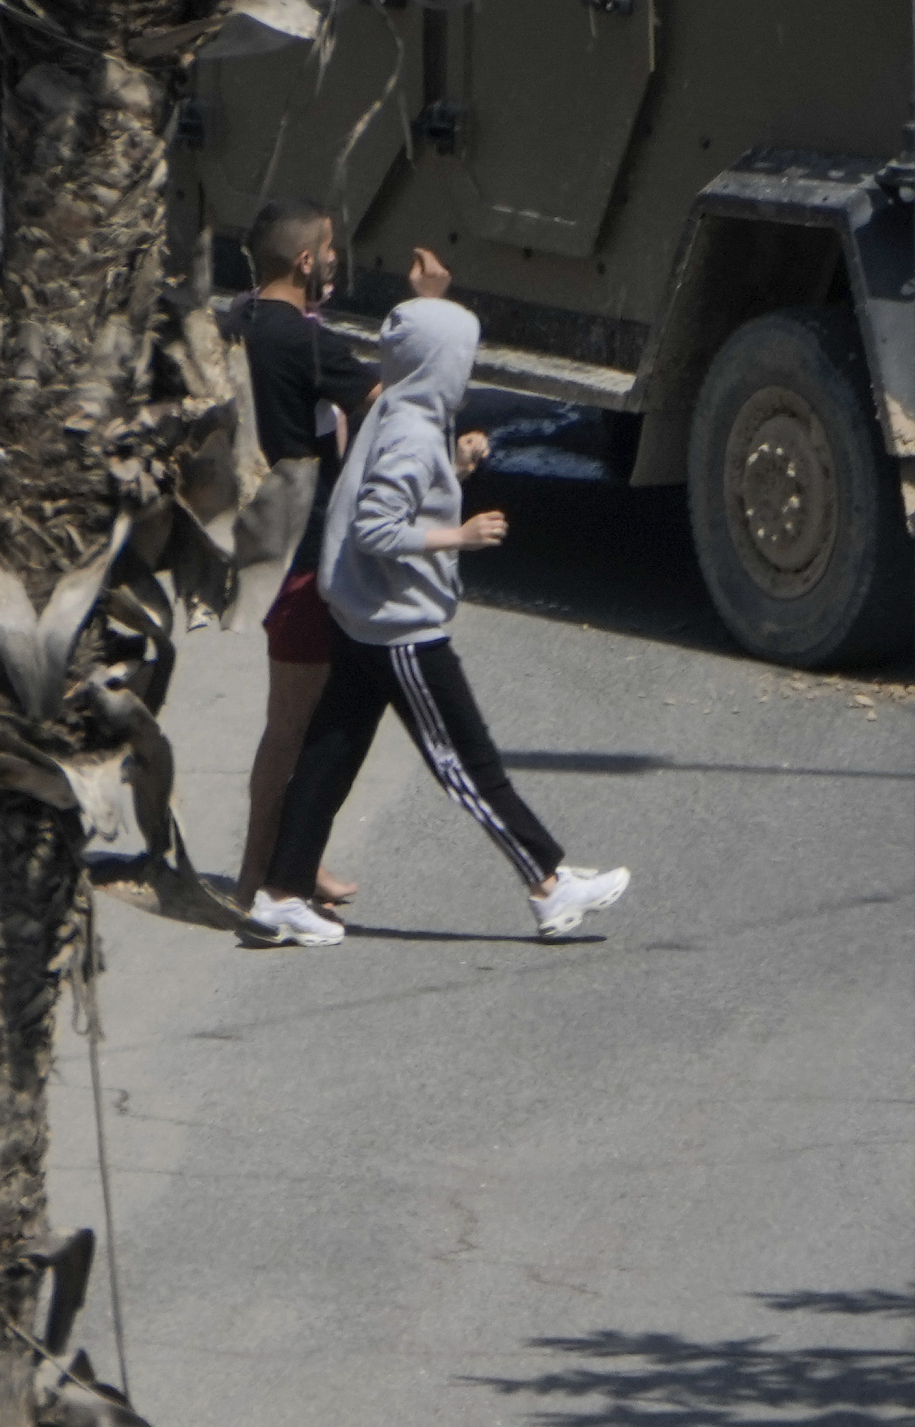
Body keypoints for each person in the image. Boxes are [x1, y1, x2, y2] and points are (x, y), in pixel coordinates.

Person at [251, 292, 632, 946]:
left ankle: (281, 895)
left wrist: (451, 469)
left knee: (330, 754)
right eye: (465, 359)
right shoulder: (412, 427)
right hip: (400, 627)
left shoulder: (397, 406)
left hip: (363, 619)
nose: (469, 370)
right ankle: (549, 886)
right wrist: (460, 535)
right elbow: (377, 526)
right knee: (468, 763)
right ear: (441, 364)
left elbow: (390, 487)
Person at [228, 218, 446, 910]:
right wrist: (430, 311)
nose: (333, 261)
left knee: (322, 719)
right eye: (324, 251)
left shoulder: (241, 321)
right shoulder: (304, 340)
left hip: (262, 540)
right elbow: (388, 407)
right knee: (293, 724)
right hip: (305, 555)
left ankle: (294, 860)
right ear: (301, 261)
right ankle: (257, 876)